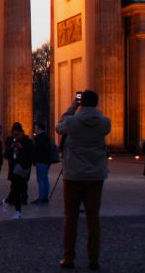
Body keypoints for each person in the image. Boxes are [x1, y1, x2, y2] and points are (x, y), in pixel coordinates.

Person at [55, 89, 111, 271]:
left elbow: (60, 126)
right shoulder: (104, 123)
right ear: (96, 102)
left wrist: (73, 106)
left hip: (73, 175)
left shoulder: (72, 122)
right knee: (93, 217)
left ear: (81, 102)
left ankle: (68, 257)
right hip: (96, 175)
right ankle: (94, 258)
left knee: (71, 217)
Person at [4, 122, 34, 219]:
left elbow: (31, 154)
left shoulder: (27, 142)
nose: (16, 135)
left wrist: (22, 148)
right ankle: (18, 211)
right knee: (16, 189)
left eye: (18, 133)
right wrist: (11, 148)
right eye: (14, 134)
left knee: (18, 188)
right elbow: (5, 155)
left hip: (23, 169)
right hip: (14, 169)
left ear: (22, 132)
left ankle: (8, 201)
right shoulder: (10, 141)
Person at [32, 122, 51, 203]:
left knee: (41, 180)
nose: (35, 129)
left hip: (41, 161)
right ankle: (45, 197)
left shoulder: (39, 138)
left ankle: (41, 198)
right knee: (45, 179)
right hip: (46, 161)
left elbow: (38, 151)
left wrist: (35, 159)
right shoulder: (46, 137)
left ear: (39, 128)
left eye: (36, 128)